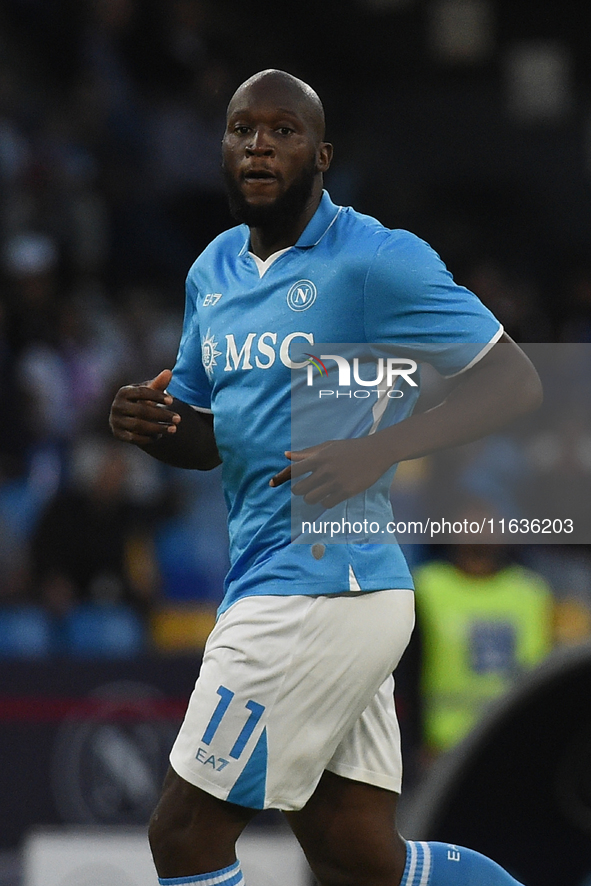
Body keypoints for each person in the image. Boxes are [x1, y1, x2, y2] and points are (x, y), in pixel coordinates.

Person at [110, 69, 541, 886]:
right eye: (242, 130)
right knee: (357, 854)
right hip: (300, 583)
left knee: (184, 833)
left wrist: (386, 447)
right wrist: (149, 425)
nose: (259, 146)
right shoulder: (213, 270)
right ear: (223, 149)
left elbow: (513, 380)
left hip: (318, 589)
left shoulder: (375, 260)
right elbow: (207, 440)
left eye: (282, 131)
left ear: (323, 155)